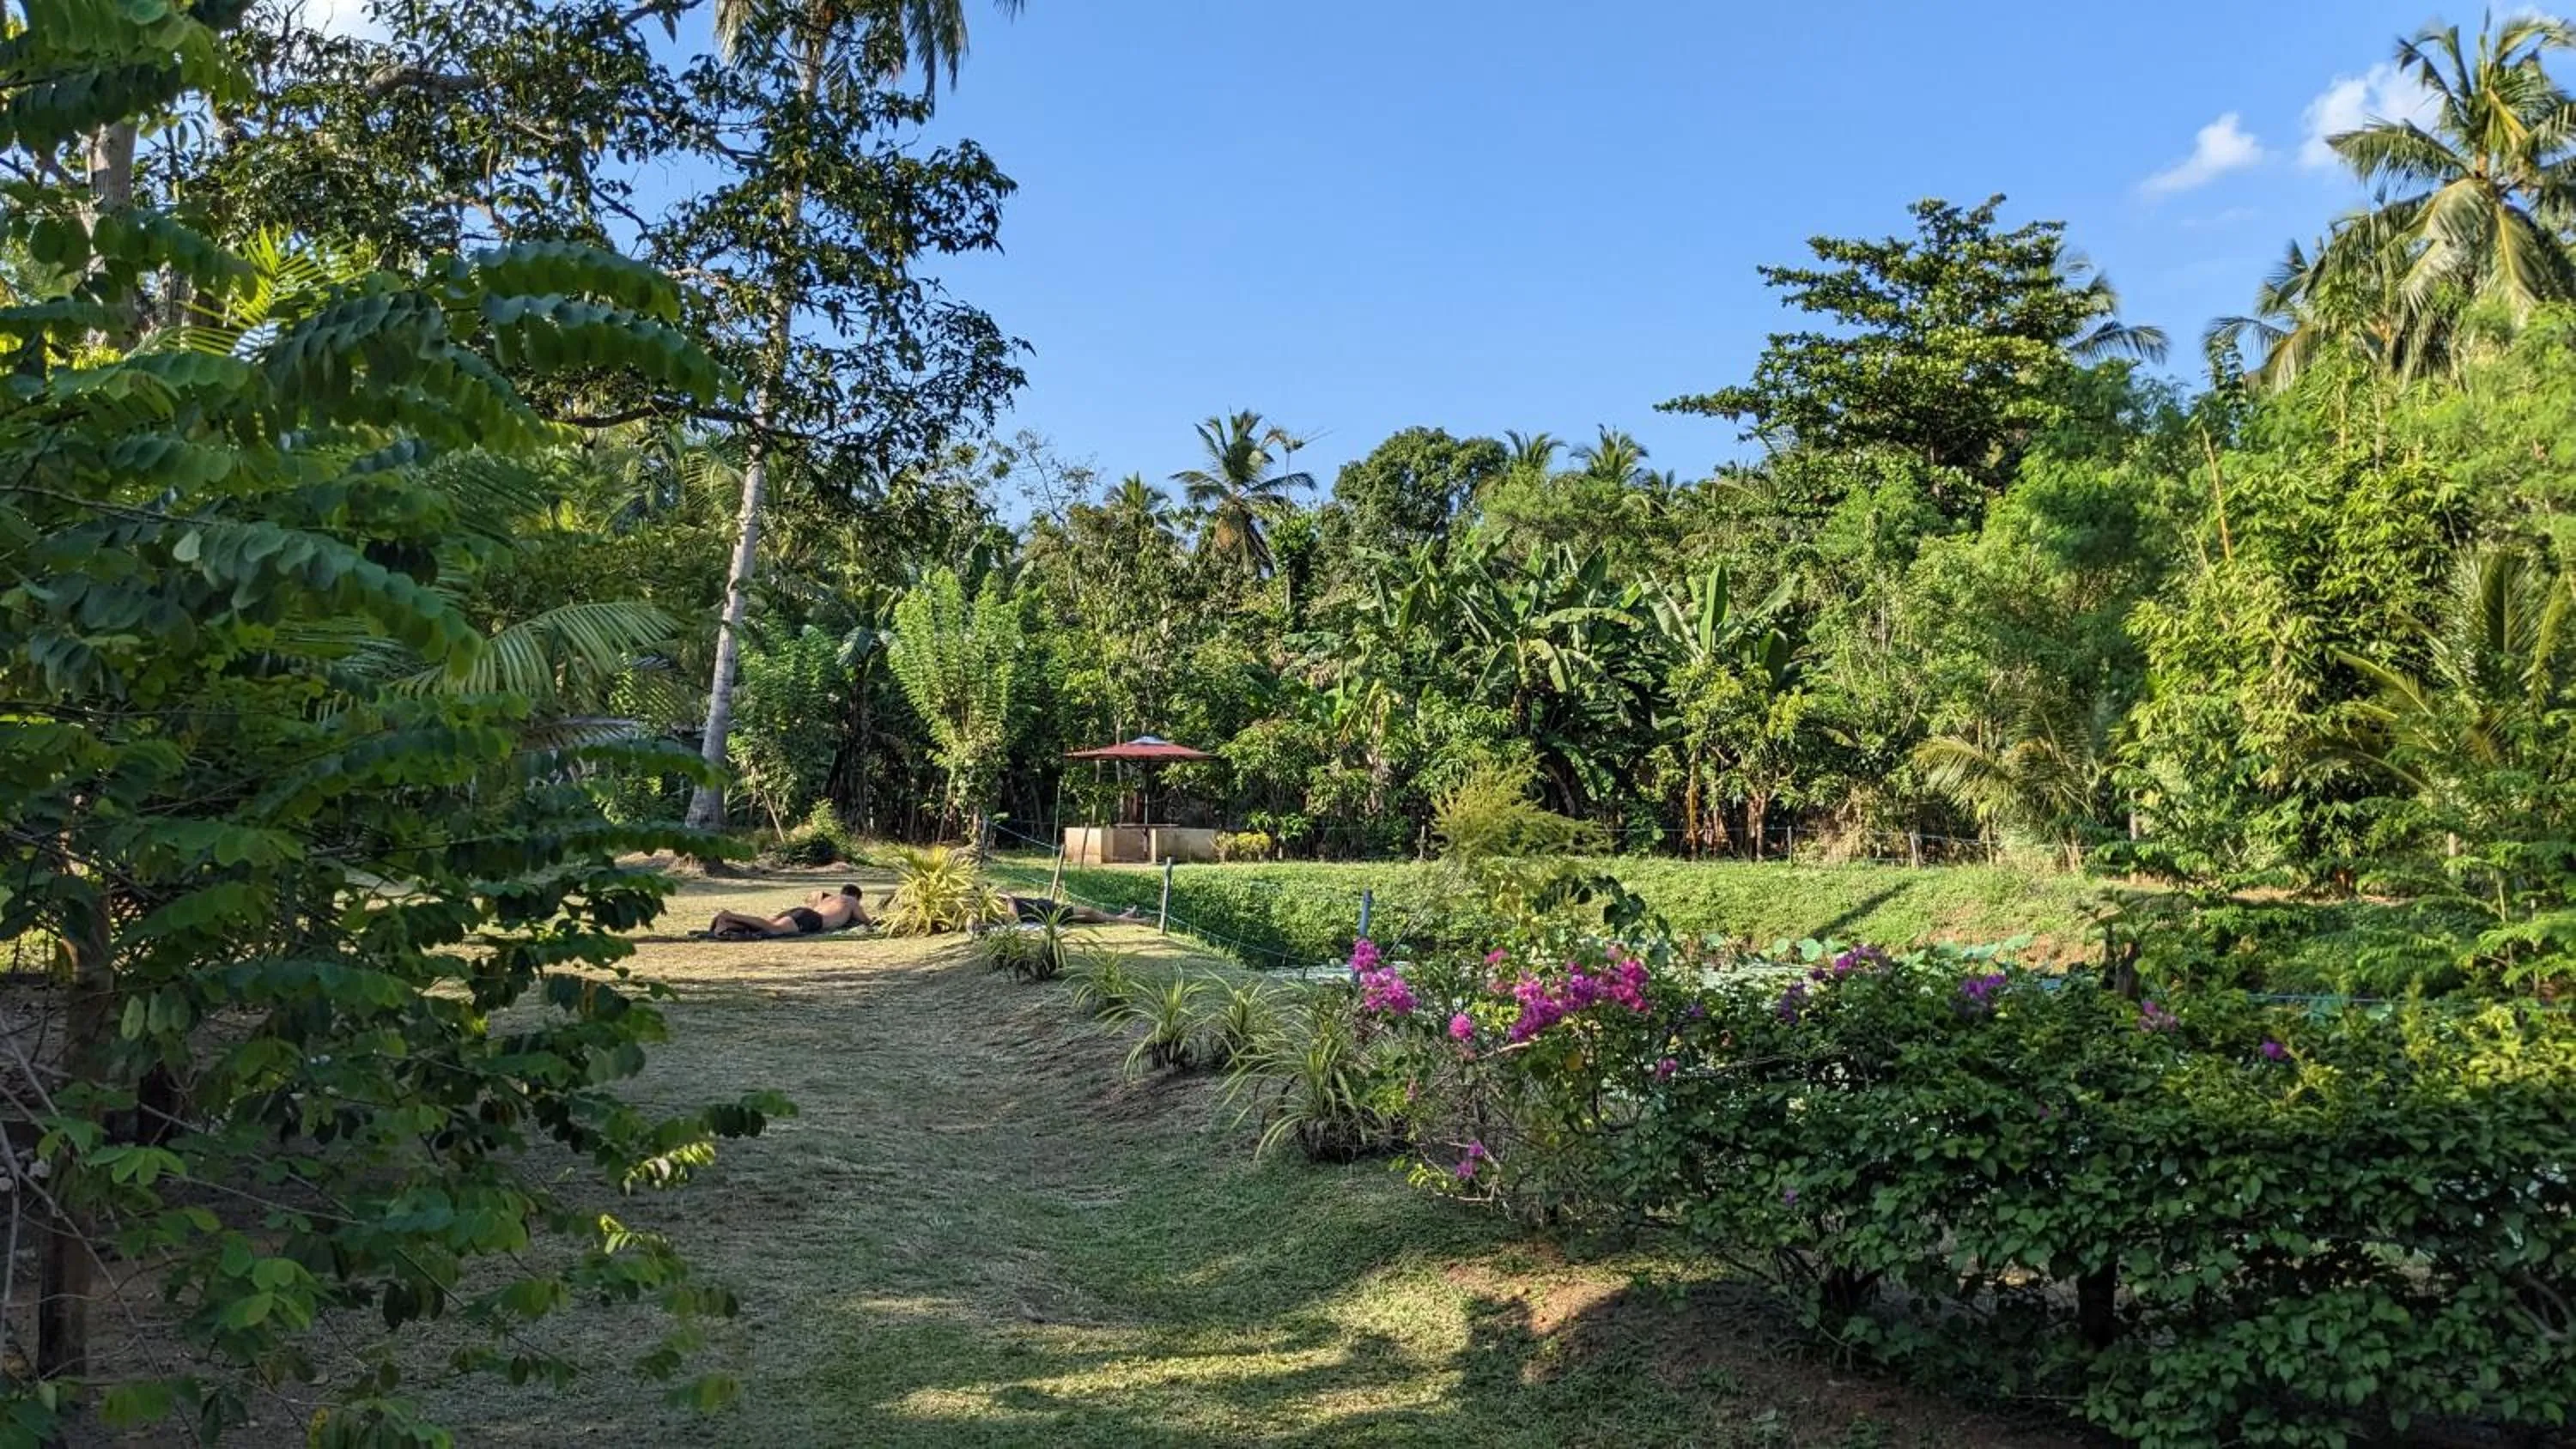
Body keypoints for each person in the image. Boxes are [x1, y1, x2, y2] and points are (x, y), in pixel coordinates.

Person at [708, 884, 872, 940]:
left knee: (769, 924)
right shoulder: (851, 901)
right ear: (856, 896)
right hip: (812, 919)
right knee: (774, 930)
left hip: (803, 912)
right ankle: (730, 916)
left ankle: (730, 923)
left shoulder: (830, 899)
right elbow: (866, 921)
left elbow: (814, 896)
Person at [996, 893, 1139, 926]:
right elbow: (1013, 920)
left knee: (1088, 915)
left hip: (1044, 906)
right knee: (1088, 912)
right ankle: (1125, 919)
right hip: (1046, 914)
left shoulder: (996, 899)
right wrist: (1009, 900)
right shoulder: (994, 912)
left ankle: (1123, 918)